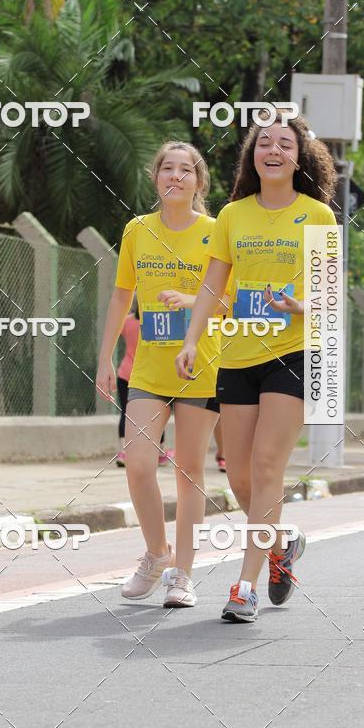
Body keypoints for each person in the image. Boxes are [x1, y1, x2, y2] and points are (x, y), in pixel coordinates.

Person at [176, 114, 337, 622]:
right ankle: (281, 542)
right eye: (263, 142)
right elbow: (211, 286)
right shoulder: (233, 216)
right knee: (242, 478)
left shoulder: (317, 216)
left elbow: (330, 298)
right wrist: (190, 339)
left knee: (269, 468)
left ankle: (243, 588)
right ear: (252, 155)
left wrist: (300, 306)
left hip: (293, 354)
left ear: (299, 156)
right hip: (238, 353)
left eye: (284, 143)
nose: (272, 150)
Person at [96, 141, 229, 608]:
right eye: (167, 169)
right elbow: (120, 297)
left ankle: (183, 575)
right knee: (138, 464)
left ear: (198, 182)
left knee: (190, 472)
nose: (175, 176)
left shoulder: (217, 231)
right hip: (150, 367)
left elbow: (233, 299)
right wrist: (104, 357)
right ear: (156, 178)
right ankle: (156, 553)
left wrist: (194, 301)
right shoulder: (137, 230)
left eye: (185, 170)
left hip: (200, 364)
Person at [116, 298, 173, 467]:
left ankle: (123, 452)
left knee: (125, 413)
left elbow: (116, 328)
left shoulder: (127, 323)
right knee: (158, 414)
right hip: (148, 374)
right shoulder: (156, 322)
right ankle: (161, 452)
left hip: (125, 374)